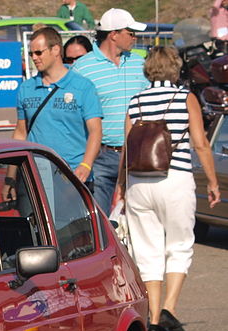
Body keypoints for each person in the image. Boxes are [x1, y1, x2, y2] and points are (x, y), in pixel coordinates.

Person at [118, 47, 220, 331]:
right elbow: (200, 143)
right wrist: (212, 182)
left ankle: (151, 315)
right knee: (180, 244)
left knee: (146, 249)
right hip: (174, 179)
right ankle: (170, 309)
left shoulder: (135, 101)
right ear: (175, 69)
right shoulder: (184, 98)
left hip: (139, 181)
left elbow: (128, 147)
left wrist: (122, 187)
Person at [7, 26, 101, 198]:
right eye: (31, 54)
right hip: (35, 175)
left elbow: (95, 131)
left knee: (74, 226)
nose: (34, 58)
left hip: (73, 176)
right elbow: (20, 133)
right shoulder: (26, 88)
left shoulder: (83, 87)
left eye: (38, 52)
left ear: (56, 49)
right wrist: (10, 177)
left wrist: (86, 166)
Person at [72, 8, 148, 214]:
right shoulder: (82, 68)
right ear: (113, 34)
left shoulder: (140, 64)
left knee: (138, 217)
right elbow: (74, 115)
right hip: (100, 156)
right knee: (98, 218)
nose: (135, 37)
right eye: (131, 33)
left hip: (137, 154)